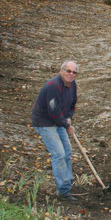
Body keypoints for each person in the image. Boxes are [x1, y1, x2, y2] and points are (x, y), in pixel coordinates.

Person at [32, 61, 79, 201]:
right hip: (45, 122)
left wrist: (69, 118)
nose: (71, 74)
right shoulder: (53, 86)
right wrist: (66, 125)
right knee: (59, 154)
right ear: (61, 71)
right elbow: (53, 111)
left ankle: (67, 181)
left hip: (59, 120)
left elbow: (72, 104)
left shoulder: (72, 85)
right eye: (68, 71)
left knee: (67, 151)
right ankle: (64, 191)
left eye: (74, 72)